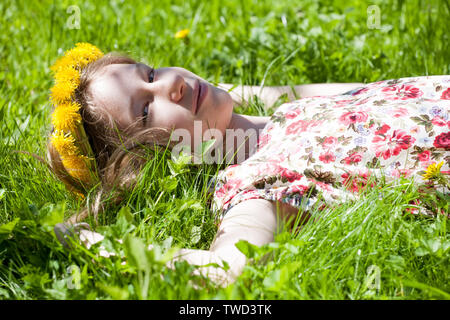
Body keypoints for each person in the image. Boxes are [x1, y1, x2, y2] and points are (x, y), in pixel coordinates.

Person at [48, 43, 449, 286]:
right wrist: (93, 243)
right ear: (146, 162)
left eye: (150, 73)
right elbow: (228, 271)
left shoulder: (278, 109)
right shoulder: (254, 183)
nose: (172, 83)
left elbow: (263, 92)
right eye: (147, 108)